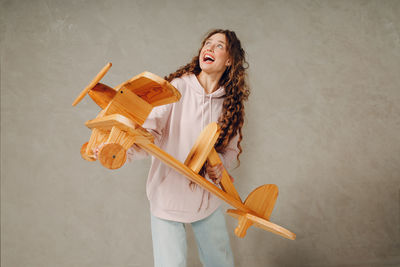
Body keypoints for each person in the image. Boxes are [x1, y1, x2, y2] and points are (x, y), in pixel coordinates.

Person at [127, 29, 250, 267]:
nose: (209, 48)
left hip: (207, 200)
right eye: (207, 43)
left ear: (229, 60)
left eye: (219, 46)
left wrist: (220, 167)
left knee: (220, 262)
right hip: (168, 197)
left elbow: (230, 151)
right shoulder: (178, 88)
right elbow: (148, 134)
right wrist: (124, 151)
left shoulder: (231, 104)